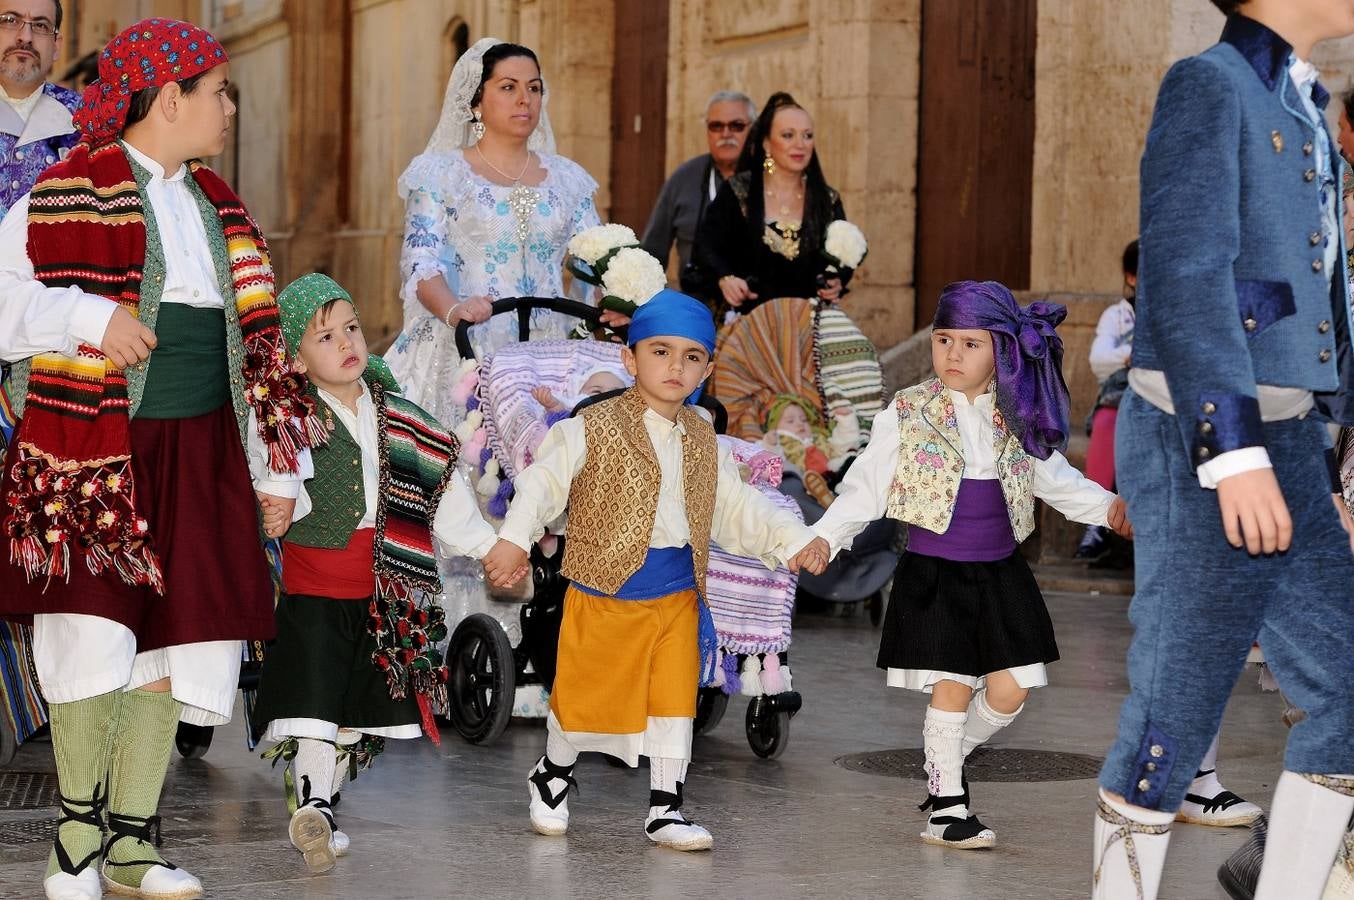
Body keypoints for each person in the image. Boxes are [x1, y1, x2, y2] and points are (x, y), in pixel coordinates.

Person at [0, 18, 320, 900]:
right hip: (95, 449)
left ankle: (135, 842)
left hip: (202, 447)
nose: (228, 105)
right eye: (218, 89)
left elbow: (254, 349)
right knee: (94, 628)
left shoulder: (223, 208)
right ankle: (75, 843)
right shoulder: (66, 191)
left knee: (181, 639)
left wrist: (275, 469)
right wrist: (88, 318)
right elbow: (3, 297)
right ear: (169, 97)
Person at [1092, 3, 1354, 898]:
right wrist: (1231, 452)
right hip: (1203, 438)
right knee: (1177, 702)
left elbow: (1317, 289)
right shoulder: (1209, 83)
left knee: (1347, 693)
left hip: (1286, 438)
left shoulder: (1300, 100)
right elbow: (1186, 270)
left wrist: (1325, 450)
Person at [480, 289, 826, 852]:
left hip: (677, 595)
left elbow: (736, 507)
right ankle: (552, 771)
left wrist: (794, 540)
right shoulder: (587, 428)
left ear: (707, 368)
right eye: (660, 351)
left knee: (673, 702)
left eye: (691, 356)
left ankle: (666, 807)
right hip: (605, 591)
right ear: (629, 357)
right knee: (587, 702)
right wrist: (515, 538)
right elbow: (543, 485)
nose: (675, 366)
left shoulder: (706, 441)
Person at [801, 280, 1131, 850]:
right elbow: (864, 489)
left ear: (1002, 350)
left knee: (1012, 689)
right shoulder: (906, 412)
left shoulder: (1017, 416)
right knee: (951, 686)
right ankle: (947, 807)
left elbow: (1056, 481)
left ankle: (944, 762)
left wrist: (1110, 508)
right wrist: (826, 538)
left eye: (970, 343)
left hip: (1000, 572)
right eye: (943, 339)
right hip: (937, 571)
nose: (952, 354)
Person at [251, 273, 499, 875]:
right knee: (314, 709)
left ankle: (320, 802)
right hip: (314, 591)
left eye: (352, 328)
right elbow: (268, 480)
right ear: (296, 359)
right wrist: (273, 502)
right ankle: (314, 805)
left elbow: (439, 491)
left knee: (368, 716)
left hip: (387, 594)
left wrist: (493, 549)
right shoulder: (289, 420)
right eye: (324, 336)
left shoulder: (402, 419)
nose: (345, 343)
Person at [385, 38, 620, 428]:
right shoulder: (440, 174)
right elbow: (420, 262)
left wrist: (611, 302)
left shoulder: (569, 178)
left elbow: (593, 260)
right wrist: (455, 310)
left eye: (534, 87)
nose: (524, 99)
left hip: (551, 347)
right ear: (477, 101)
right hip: (469, 340)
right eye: (508, 87)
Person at [0, 0, 80, 762]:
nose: (24, 37)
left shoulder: (90, 119)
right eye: (8, 19)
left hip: (60, 350)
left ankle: (58, 689)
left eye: (39, 23)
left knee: (54, 512)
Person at [691, 91, 848, 315]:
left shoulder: (827, 200)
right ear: (766, 143)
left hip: (810, 326)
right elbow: (706, 246)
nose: (800, 144)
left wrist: (837, 281)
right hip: (747, 323)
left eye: (807, 135)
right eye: (787, 135)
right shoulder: (739, 191)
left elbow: (843, 253)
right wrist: (726, 278)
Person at [640, 90, 756, 297]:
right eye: (716, 126)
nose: (726, 134)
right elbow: (651, 254)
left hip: (759, 308)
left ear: (753, 129)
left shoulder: (772, 179)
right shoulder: (684, 178)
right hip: (696, 309)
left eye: (736, 126)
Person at [1076, 239, 1137, 561]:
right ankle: (1096, 522)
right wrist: (1132, 356)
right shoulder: (1117, 315)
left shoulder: (1173, 314)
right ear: (1132, 277)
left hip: (1165, 400)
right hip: (1120, 395)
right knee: (1107, 420)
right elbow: (1100, 360)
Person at [532, 364, 628, 415]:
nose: (604, 396)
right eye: (597, 391)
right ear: (578, 393)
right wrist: (553, 405)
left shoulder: (626, 409)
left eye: (614, 393)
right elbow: (564, 412)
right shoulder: (579, 403)